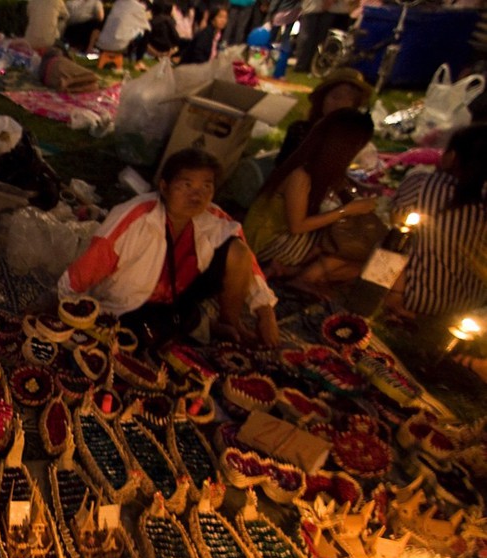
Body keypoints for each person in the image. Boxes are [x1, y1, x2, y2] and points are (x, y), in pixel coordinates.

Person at [58, 147, 279, 349]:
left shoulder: (213, 217)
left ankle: (228, 323)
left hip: (179, 295)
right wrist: (66, 314)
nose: (197, 195)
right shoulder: (135, 218)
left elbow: (247, 260)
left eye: (206, 186)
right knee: (143, 340)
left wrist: (265, 312)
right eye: (186, 185)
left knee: (237, 252)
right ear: (164, 187)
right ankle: (198, 326)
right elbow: (84, 271)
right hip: (131, 301)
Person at [246, 108, 377, 288]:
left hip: (287, 239)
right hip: (267, 242)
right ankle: (295, 274)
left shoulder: (323, 171)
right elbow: (297, 225)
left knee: (356, 256)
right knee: (342, 248)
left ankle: (292, 272)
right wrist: (346, 211)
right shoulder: (301, 174)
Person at [386, 124, 487, 318]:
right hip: (470, 306)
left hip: (416, 296)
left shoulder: (422, 183)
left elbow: (395, 238)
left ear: (452, 156)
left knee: (389, 238)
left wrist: (396, 293)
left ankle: (391, 298)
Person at [275, 67, 372, 166]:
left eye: (348, 100)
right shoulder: (300, 131)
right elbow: (282, 167)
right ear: (322, 99)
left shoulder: (352, 140)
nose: (340, 105)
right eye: (336, 97)